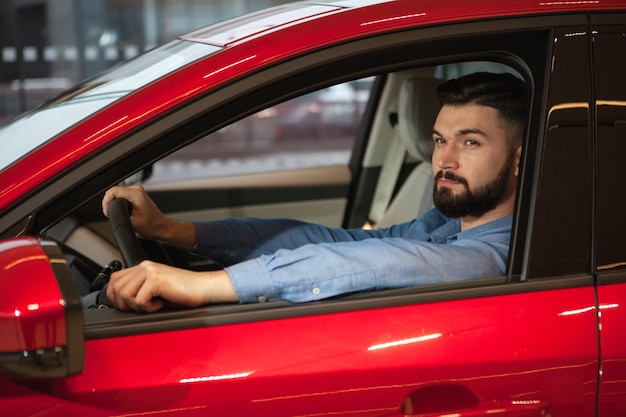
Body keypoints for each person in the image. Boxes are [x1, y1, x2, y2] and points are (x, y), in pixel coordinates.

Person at [99, 72, 528, 312]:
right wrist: (174, 231)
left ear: (517, 159)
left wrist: (204, 286)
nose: (444, 161)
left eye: (470, 142)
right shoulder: (444, 222)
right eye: (439, 140)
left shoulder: (496, 255)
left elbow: (372, 261)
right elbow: (340, 242)